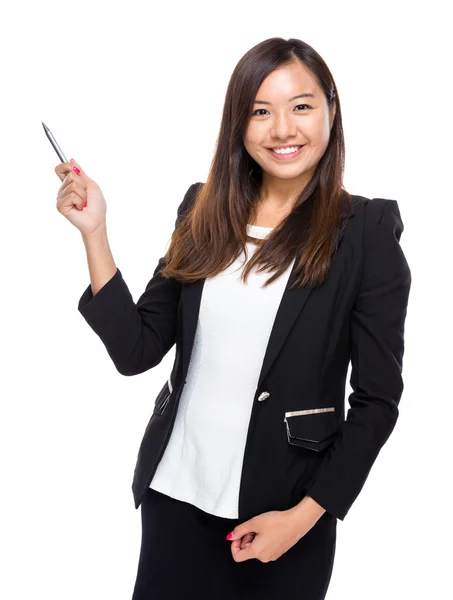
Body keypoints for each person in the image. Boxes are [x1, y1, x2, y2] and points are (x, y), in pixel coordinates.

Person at [54, 37, 411, 600]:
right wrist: (95, 232)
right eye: (260, 111)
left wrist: (301, 519)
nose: (282, 129)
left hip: (284, 517)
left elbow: (377, 402)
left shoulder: (365, 232)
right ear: (238, 124)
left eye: (301, 106)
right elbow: (137, 349)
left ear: (331, 111)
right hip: (174, 499)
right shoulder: (204, 210)